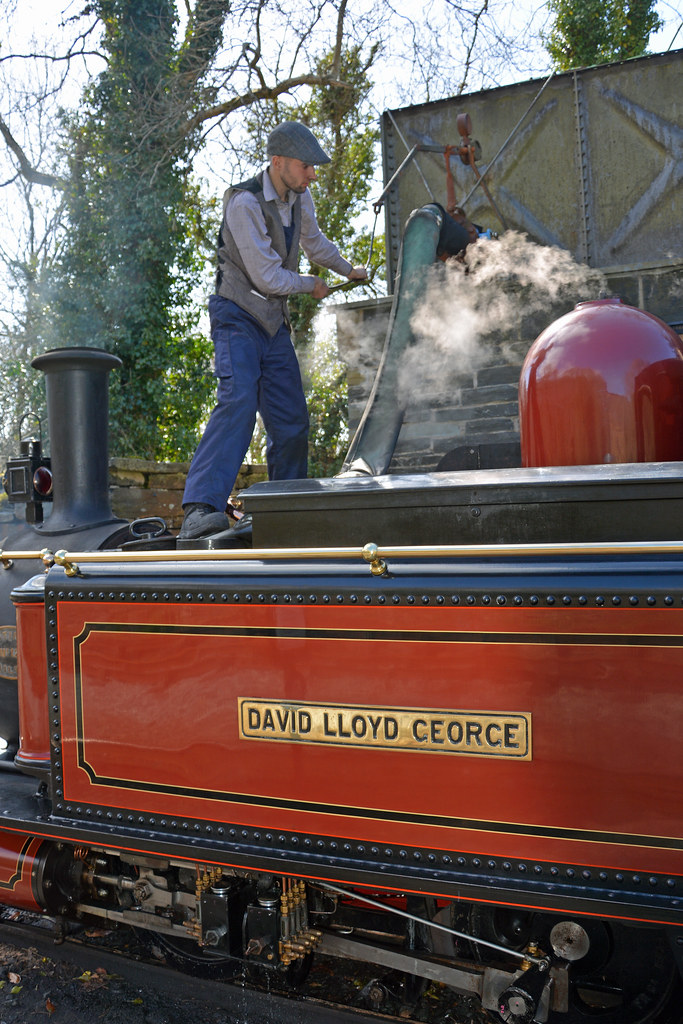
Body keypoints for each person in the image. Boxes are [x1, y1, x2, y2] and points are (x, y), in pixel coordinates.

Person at [179, 121, 367, 539]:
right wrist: (310, 285)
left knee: (291, 420)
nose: (312, 174)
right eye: (306, 166)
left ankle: (283, 509)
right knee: (239, 400)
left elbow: (314, 243)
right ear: (277, 161)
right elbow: (267, 276)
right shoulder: (243, 203)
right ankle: (199, 508)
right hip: (236, 317)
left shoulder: (300, 198)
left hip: (272, 323)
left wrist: (346, 269)